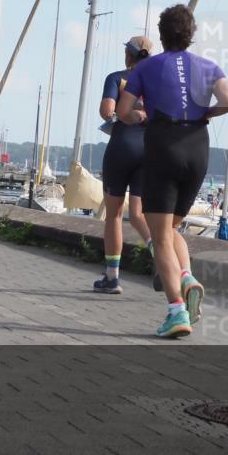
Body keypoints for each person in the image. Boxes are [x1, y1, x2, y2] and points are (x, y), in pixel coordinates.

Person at [116, 4, 228, 338]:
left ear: (162, 34)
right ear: (190, 34)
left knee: (160, 237)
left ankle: (176, 311)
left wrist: (137, 117)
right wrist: (205, 113)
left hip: (163, 145)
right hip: (197, 147)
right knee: (171, 228)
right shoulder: (210, 66)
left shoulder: (146, 67)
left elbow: (123, 110)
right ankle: (186, 276)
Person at [93, 36, 154, 294]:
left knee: (114, 214)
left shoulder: (117, 78)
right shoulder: (156, 83)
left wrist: (123, 112)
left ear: (129, 55)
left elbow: (107, 111)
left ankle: (112, 278)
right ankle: (162, 257)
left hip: (121, 147)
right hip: (148, 151)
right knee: (138, 214)